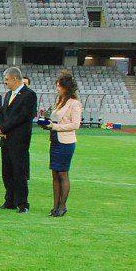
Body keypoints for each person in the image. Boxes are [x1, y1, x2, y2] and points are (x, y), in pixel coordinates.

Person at [0, 66, 37, 213]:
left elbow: (23, 116)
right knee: (7, 171)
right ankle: (9, 200)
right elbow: (3, 114)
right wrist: (0, 128)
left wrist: (4, 128)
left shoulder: (29, 95)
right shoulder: (8, 95)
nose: (5, 82)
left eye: (7, 79)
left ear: (15, 78)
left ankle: (22, 203)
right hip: (6, 139)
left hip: (19, 140)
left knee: (19, 172)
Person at [42, 70, 81, 217]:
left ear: (66, 87)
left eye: (59, 85)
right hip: (55, 139)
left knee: (63, 173)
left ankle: (62, 205)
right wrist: (48, 124)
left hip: (65, 141)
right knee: (55, 174)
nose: (57, 88)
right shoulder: (59, 101)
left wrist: (55, 126)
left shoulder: (74, 104)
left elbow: (75, 124)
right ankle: (55, 205)